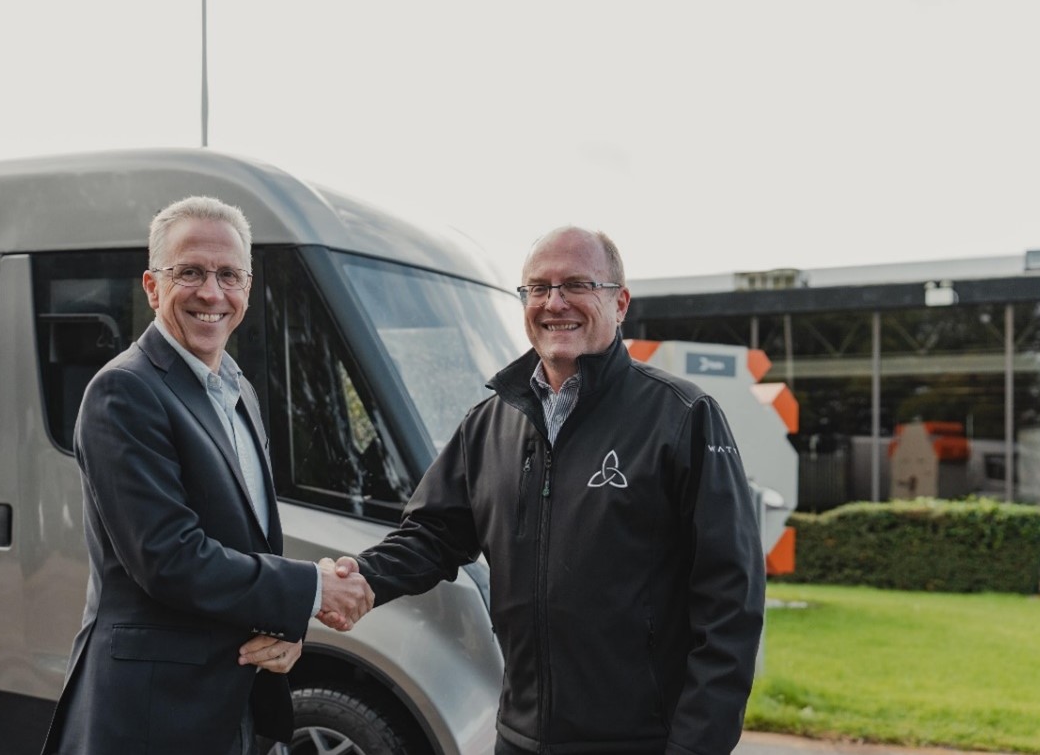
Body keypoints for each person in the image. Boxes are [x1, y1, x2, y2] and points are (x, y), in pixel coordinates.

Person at [324, 226, 765, 755]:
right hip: (520, 738)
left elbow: (730, 604)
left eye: (577, 284)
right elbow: (432, 536)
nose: (555, 303)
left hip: (640, 742)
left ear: (619, 302)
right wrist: (363, 580)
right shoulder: (488, 423)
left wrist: (696, 748)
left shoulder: (682, 417)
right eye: (538, 288)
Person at [42, 196, 375, 755]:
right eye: (189, 272)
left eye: (229, 275)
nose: (212, 292)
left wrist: (286, 628)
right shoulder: (123, 391)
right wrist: (312, 590)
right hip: (150, 716)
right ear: (151, 286)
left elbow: (244, 539)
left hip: (229, 705)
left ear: (247, 284)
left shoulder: (237, 389)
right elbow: (168, 558)